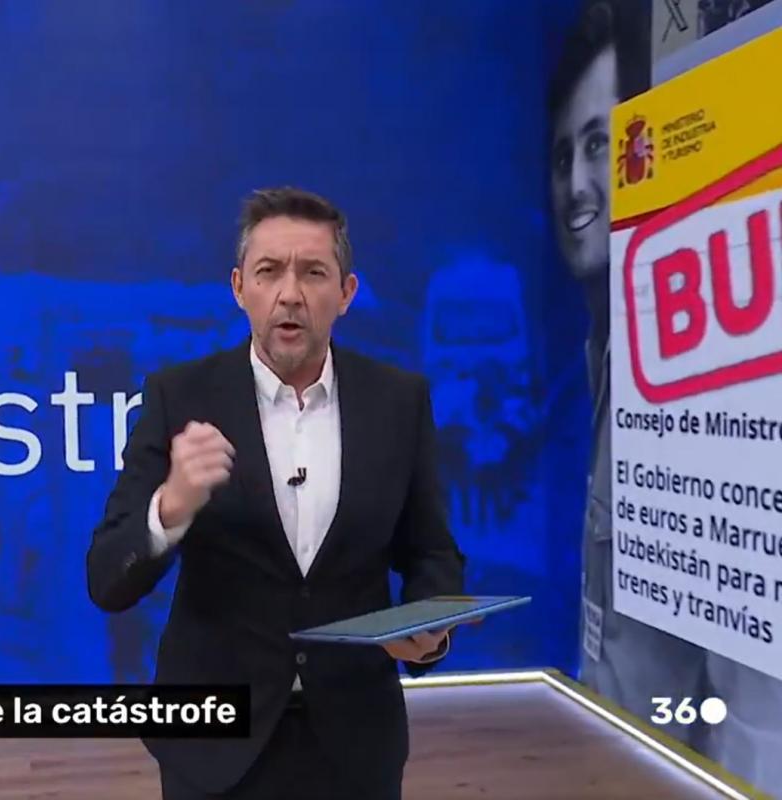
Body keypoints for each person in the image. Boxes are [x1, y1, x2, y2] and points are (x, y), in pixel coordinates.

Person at [86, 187, 466, 799]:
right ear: (240, 288)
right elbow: (108, 578)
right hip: (214, 747)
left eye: (313, 273)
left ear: (346, 293)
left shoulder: (399, 401)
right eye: (269, 272)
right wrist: (171, 507)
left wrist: (430, 629)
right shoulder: (178, 397)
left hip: (355, 743)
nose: (290, 294)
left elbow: (431, 550)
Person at [547, 0, 705, 746]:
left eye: (600, 146)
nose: (577, 183)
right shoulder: (604, 356)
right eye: (562, 157)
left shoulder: (692, 375)